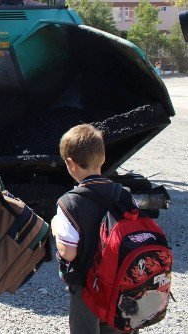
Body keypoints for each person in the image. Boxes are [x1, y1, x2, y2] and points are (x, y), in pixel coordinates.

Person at [51, 124, 137, 334]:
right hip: (121, 281)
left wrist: (54, 227)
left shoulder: (68, 202)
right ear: (103, 157)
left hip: (87, 288)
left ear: (70, 164)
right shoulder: (123, 194)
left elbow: (68, 252)